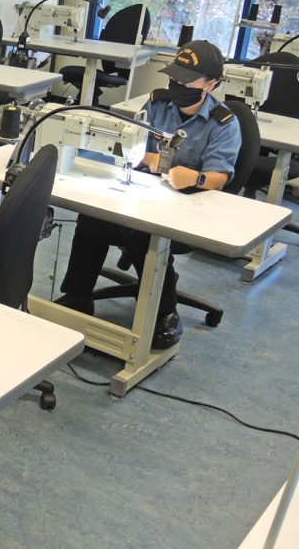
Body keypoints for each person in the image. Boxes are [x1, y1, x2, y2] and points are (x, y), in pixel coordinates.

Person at [56, 40, 241, 349]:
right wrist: (144, 157)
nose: (178, 84)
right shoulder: (156, 104)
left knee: (144, 234)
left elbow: (219, 179)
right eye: (175, 77)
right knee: (93, 218)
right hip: (148, 195)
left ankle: (164, 312)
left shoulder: (223, 123)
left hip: (190, 209)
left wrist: (194, 176)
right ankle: (78, 296)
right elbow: (133, 142)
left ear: (211, 83)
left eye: (187, 80)